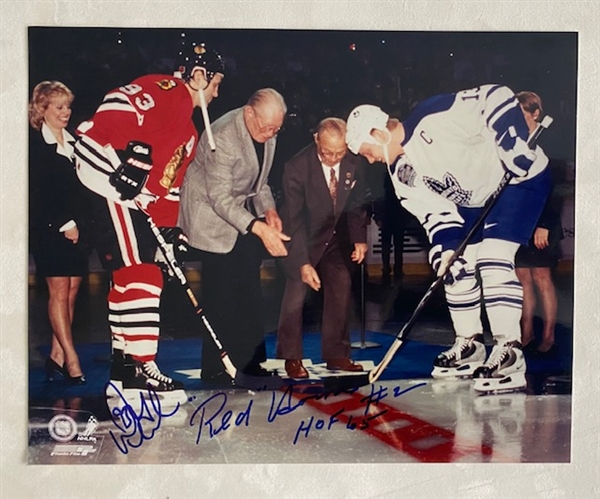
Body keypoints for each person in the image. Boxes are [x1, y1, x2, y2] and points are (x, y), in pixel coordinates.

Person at [345, 84, 551, 393]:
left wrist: (511, 141)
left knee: (494, 260)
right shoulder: (400, 172)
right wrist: (444, 251)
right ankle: (470, 344)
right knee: (456, 267)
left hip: (519, 181)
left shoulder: (433, 114)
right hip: (475, 200)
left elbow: (495, 95)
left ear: (377, 134)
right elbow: (435, 214)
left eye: (366, 152)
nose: (370, 159)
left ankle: (509, 351)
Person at [73, 42, 225, 395]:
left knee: (129, 274)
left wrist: (172, 232)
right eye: (215, 83)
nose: (217, 92)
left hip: (127, 195)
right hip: (104, 169)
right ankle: (143, 364)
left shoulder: (189, 133)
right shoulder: (168, 90)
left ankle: (124, 362)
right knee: (144, 272)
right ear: (197, 76)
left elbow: (167, 189)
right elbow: (116, 103)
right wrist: (133, 150)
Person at [179, 88, 289, 386]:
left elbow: (260, 182)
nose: (271, 133)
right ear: (248, 113)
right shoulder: (223, 136)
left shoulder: (268, 130)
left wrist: (269, 211)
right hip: (210, 216)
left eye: (276, 128)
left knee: (250, 291)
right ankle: (216, 369)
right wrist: (257, 226)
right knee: (222, 296)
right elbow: (219, 198)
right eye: (266, 127)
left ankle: (252, 364)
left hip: (240, 212)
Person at [276, 117, 368, 379]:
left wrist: (359, 238)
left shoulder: (353, 162)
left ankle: (337, 354)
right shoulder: (296, 167)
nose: (333, 159)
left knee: (341, 287)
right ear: (316, 139)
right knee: (295, 294)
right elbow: (293, 221)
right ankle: (291, 358)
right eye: (327, 152)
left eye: (339, 152)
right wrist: (303, 263)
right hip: (302, 238)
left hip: (336, 239)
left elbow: (357, 201)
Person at [29, 80, 89, 385]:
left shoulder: (75, 142)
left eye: (68, 106)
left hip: (80, 228)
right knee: (59, 291)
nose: (66, 112)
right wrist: (66, 224)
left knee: (73, 292)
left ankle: (55, 355)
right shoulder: (35, 146)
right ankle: (72, 358)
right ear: (42, 109)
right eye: (59, 107)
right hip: (52, 229)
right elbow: (39, 195)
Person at [514, 92, 562, 358]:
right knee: (523, 280)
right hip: (521, 223)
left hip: (544, 222)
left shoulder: (550, 142)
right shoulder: (515, 143)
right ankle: (527, 332)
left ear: (535, 113)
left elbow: (553, 189)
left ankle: (549, 336)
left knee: (542, 278)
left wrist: (543, 223)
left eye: (523, 113)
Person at [373, 170, 409, 285]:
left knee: (386, 246)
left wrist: (378, 217)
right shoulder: (400, 188)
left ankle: (386, 268)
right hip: (397, 218)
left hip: (387, 218)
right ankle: (397, 269)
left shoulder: (382, 188)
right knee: (399, 246)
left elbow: (378, 202)